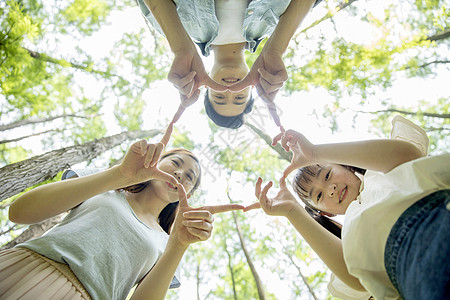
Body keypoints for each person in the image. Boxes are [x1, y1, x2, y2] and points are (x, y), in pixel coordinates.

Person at [0, 123, 244, 300]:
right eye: (176, 163)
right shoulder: (108, 185)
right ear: (156, 162)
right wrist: (118, 175)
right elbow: (19, 212)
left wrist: (179, 245)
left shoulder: (168, 242)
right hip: (24, 268)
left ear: (188, 194)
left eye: (189, 176)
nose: (180, 173)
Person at [246, 115, 450, 300]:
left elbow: (409, 155)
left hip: (437, 214)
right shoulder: (353, 228)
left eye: (327, 176)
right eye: (319, 195)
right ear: (325, 212)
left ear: (346, 166)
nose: (331, 189)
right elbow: (355, 276)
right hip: (412, 268)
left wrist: (315, 153)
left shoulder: (377, 171)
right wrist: (292, 211)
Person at [137, 0, 322, 128]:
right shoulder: (275, 26)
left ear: (206, 88)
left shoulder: (176, 29)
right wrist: (276, 49)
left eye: (219, 98)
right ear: (252, 89)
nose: (229, 91)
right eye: (239, 98)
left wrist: (180, 48)